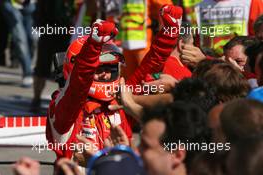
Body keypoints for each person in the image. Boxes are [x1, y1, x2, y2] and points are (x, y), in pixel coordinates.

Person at [46, 4, 183, 160]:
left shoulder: (120, 101)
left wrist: (170, 33)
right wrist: (93, 46)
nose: (105, 74)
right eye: (98, 70)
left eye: (110, 68)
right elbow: (78, 84)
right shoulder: (63, 107)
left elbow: (149, 68)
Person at [194, 0, 263, 56]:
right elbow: (199, 41)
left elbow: (259, 41)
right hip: (209, 64)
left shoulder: (252, 2)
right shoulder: (199, 7)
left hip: (243, 65)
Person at [0, 0, 33, 87]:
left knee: (31, 38)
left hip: (30, 5)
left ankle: (27, 65)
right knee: (20, 39)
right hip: (9, 4)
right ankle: (27, 73)